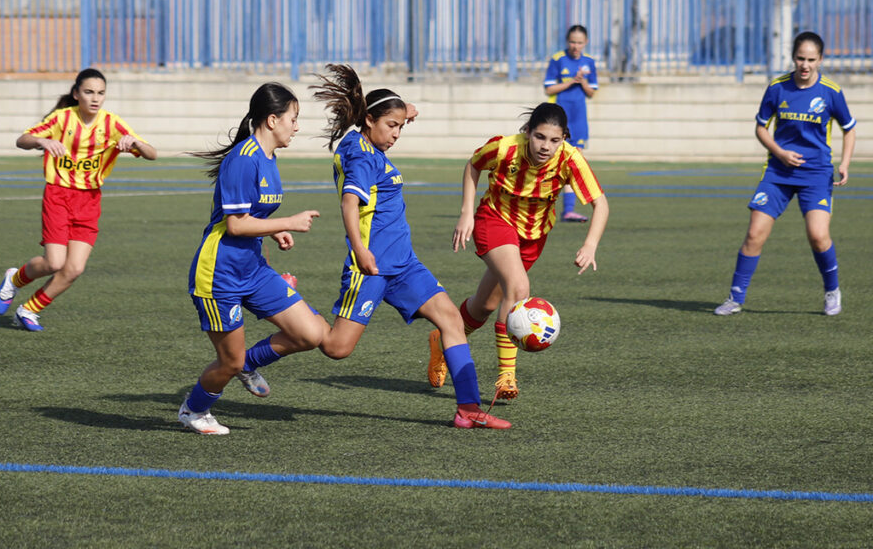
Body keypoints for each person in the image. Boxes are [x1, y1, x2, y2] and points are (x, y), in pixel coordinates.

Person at [310, 64, 511, 430]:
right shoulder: (360, 156)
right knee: (336, 348)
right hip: (372, 265)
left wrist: (404, 111)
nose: (397, 134)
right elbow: (349, 204)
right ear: (369, 120)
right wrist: (360, 250)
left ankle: (468, 409)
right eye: (392, 126)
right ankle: (281, 327)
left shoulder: (370, 137)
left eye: (401, 126)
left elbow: (391, 115)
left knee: (451, 318)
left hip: (403, 264)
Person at [427, 102, 608, 401]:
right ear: (527, 132)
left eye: (555, 140)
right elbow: (473, 164)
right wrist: (466, 213)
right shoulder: (504, 148)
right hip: (494, 220)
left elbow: (600, 203)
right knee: (519, 287)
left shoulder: (570, 159)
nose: (546, 146)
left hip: (533, 237)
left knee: (484, 307)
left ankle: (442, 341)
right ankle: (506, 376)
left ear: (564, 138)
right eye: (539, 137)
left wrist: (590, 244)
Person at [180, 83, 329, 435]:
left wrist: (272, 229)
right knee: (227, 360)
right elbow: (233, 224)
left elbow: (251, 214)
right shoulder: (243, 160)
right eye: (294, 118)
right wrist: (287, 222)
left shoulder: (268, 157)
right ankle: (194, 411)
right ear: (272, 119)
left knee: (310, 333)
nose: (297, 126)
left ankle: (248, 364)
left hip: (252, 268)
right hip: (219, 274)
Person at [0, 68, 157, 331]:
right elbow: (21, 140)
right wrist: (41, 142)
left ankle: (29, 310)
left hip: (89, 200)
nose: (95, 98)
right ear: (76, 93)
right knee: (54, 263)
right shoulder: (62, 119)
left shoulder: (112, 124)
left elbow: (152, 154)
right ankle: (14, 279)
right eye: (89, 92)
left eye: (101, 93)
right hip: (58, 195)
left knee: (74, 268)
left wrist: (133, 143)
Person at [714, 31, 856, 317]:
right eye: (800, 58)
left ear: (821, 60)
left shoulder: (831, 91)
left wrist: (845, 163)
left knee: (818, 235)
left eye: (811, 60)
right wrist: (779, 152)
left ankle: (832, 292)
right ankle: (735, 298)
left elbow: (849, 128)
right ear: (793, 58)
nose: (805, 65)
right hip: (778, 173)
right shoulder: (778, 87)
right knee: (754, 234)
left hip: (816, 174)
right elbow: (761, 127)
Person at [543, 24, 598, 223]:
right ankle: (541, 202)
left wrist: (582, 82)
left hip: (579, 117)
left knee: (574, 163)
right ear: (568, 42)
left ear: (586, 43)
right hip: (560, 115)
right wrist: (570, 82)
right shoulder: (558, 60)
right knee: (551, 161)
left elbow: (591, 92)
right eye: (573, 42)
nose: (576, 46)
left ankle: (568, 210)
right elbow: (549, 89)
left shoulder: (589, 62)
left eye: (580, 42)